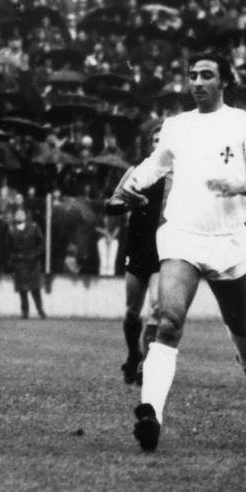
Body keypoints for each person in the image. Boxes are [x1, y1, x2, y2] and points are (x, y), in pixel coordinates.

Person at [118, 52, 246, 452]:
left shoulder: (244, 124)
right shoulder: (176, 126)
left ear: (224, 81)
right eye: (192, 74)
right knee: (168, 321)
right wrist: (131, 184)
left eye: (206, 75)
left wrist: (241, 187)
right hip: (181, 236)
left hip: (227, 240)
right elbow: (155, 166)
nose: (196, 81)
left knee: (241, 325)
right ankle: (151, 414)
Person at [106, 124, 168, 386]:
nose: (160, 145)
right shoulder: (136, 172)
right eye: (155, 140)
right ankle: (134, 354)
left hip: (164, 248)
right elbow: (111, 205)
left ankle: (147, 364)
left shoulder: (182, 177)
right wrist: (133, 202)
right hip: (138, 247)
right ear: (149, 145)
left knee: (157, 306)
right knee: (133, 311)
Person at [6, 208, 47, 319]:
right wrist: (14, 258)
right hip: (20, 263)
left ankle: (40, 310)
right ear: (15, 217)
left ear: (25, 216)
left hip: (33, 262)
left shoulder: (34, 227)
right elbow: (9, 248)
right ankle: (25, 312)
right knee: (22, 289)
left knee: (35, 288)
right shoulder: (11, 231)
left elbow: (41, 244)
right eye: (17, 214)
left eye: (21, 214)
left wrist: (34, 254)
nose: (19, 216)